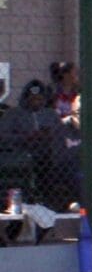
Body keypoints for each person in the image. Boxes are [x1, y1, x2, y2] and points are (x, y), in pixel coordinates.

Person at [0, 78, 78, 209]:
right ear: (26, 98)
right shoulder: (13, 114)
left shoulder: (50, 114)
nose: (36, 102)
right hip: (21, 154)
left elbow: (61, 135)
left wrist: (48, 136)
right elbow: (3, 137)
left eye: (40, 99)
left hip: (49, 156)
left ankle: (55, 203)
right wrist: (26, 137)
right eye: (33, 98)